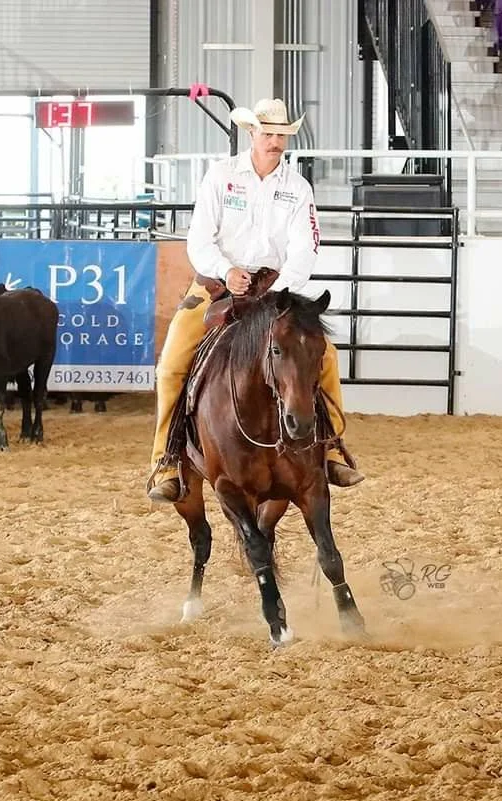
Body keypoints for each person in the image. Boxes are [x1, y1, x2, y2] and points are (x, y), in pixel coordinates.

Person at [146, 97, 365, 503]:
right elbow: (199, 239)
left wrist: (282, 288)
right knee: (172, 365)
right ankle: (167, 460)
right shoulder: (221, 175)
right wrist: (225, 270)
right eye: (268, 133)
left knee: (326, 356)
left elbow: (305, 248)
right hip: (216, 286)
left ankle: (333, 448)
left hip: (275, 291)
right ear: (252, 133)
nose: (275, 141)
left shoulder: (297, 188)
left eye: (282, 134)